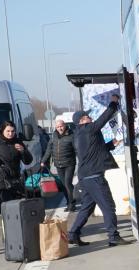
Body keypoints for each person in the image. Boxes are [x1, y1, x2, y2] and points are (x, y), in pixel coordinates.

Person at [67, 94, 129, 247]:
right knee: (108, 206)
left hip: (85, 177)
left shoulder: (80, 135)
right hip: (94, 177)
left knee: (87, 207)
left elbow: (95, 150)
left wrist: (112, 143)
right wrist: (113, 103)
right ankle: (113, 236)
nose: (90, 118)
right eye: (87, 116)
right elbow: (104, 118)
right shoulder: (87, 129)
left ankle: (73, 233)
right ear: (82, 121)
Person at [40, 118, 77, 212]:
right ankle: (69, 201)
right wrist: (43, 161)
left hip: (69, 163)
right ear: (55, 128)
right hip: (58, 164)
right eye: (57, 127)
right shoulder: (53, 137)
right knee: (63, 184)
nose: (60, 128)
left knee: (68, 183)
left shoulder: (71, 135)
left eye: (61, 126)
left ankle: (71, 204)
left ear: (65, 126)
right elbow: (49, 149)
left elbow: (77, 149)